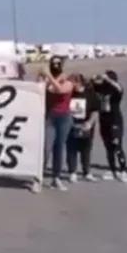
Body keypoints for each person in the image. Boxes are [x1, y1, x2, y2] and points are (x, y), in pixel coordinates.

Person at [41, 55, 74, 190]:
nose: (55, 66)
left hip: (63, 117)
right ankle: (39, 176)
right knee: (46, 148)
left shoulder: (68, 81)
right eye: (52, 63)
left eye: (57, 63)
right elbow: (42, 87)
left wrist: (49, 76)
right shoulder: (51, 80)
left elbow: (60, 90)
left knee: (59, 148)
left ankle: (56, 177)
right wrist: (43, 75)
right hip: (50, 117)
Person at [93, 70, 127, 182]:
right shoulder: (100, 89)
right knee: (108, 148)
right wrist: (96, 77)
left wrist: (108, 79)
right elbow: (89, 82)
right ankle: (113, 170)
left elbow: (119, 88)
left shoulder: (115, 92)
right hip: (104, 120)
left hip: (115, 120)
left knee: (117, 145)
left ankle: (123, 171)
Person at [66, 74, 98, 182]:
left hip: (86, 125)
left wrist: (90, 123)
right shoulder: (68, 94)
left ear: (78, 82)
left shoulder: (90, 93)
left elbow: (95, 110)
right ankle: (72, 172)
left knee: (86, 149)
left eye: (72, 82)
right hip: (72, 124)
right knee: (71, 149)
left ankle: (86, 172)